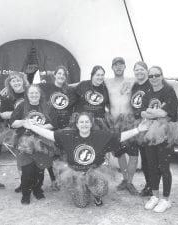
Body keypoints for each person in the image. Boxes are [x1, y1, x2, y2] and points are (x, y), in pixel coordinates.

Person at [22, 112, 150, 208]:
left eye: (86, 122)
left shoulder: (100, 135)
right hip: (75, 171)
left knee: (101, 190)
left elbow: (119, 137)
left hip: (95, 170)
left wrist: (138, 129)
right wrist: (32, 127)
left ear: (91, 123)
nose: (84, 124)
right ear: (77, 124)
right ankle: (83, 189)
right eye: (81, 122)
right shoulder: (67, 135)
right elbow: (49, 134)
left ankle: (96, 194)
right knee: (81, 204)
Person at [140, 66, 178, 213]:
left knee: (164, 167)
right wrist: (155, 112)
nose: (154, 78)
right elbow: (143, 112)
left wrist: (151, 112)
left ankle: (166, 199)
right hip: (150, 134)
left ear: (162, 75)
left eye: (157, 75)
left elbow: (168, 113)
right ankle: (155, 196)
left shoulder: (168, 91)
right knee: (152, 166)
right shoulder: (148, 93)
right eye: (151, 76)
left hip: (165, 134)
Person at [10, 84, 55, 205]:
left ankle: (37, 190)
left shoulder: (46, 106)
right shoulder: (21, 106)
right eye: (31, 93)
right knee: (27, 170)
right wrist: (25, 122)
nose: (34, 95)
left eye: (36, 93)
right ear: (27, 94)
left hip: (42, 142)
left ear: (40, 95)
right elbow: (12, 123)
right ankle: (26, 194)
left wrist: (40, 127)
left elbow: (52, 124)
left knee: (40, 169)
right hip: (25, 143)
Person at [104, 57, 139, 195]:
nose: (118, 67)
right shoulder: (107, 82)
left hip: (129, 122)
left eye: (121, 65)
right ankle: (125, 180)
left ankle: (130, 182)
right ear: (112, 68)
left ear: (125, 67)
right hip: (114, 123)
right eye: (116, 65)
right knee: (120, 154)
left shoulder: (132, 81)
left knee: (133, 154)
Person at [39, 65, 76, 190]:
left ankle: (65, 179)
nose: (61, 76)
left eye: (64, 74)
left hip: (65, 127)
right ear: (54, 75)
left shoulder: (69, 91)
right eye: (59, 73)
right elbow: (30, 93)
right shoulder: (46, 87)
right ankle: (54, 180)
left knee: (64, 155)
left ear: (66, 77)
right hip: (50, 126)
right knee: (51, 155)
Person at [0, 71, 30, 193]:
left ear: (23, 80)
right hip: (17, 131)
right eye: (13, 81)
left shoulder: (30, 92)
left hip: (33, 129)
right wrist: (19, 113)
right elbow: (2, 114)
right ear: (9, 83)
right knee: (21, 158)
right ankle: (24, 183)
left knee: (34, 156)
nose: (16, 82)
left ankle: (34, 182)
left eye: (18, 80)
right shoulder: (7, 96)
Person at [130, 61, 152, 196]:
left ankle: (151, 186)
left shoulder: (151, 84)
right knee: (143, 158)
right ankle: (149, 185)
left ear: (147, 71)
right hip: (136, 125)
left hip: (148, 125)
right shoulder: (134, 86)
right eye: (137, 70)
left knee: (149, 158)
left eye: (142, 70)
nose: (139, 72)